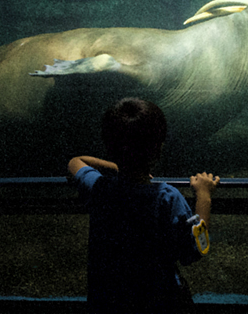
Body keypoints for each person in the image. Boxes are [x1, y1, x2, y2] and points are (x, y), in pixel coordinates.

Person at [68, 97, 220, 314]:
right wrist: (204, 197)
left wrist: (120, 167)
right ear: (158, 149)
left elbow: (76, 161)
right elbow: (193, 251)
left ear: (108, 147)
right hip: (160, 302)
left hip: (108, 301)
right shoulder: (168, 197)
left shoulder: (100, 188)